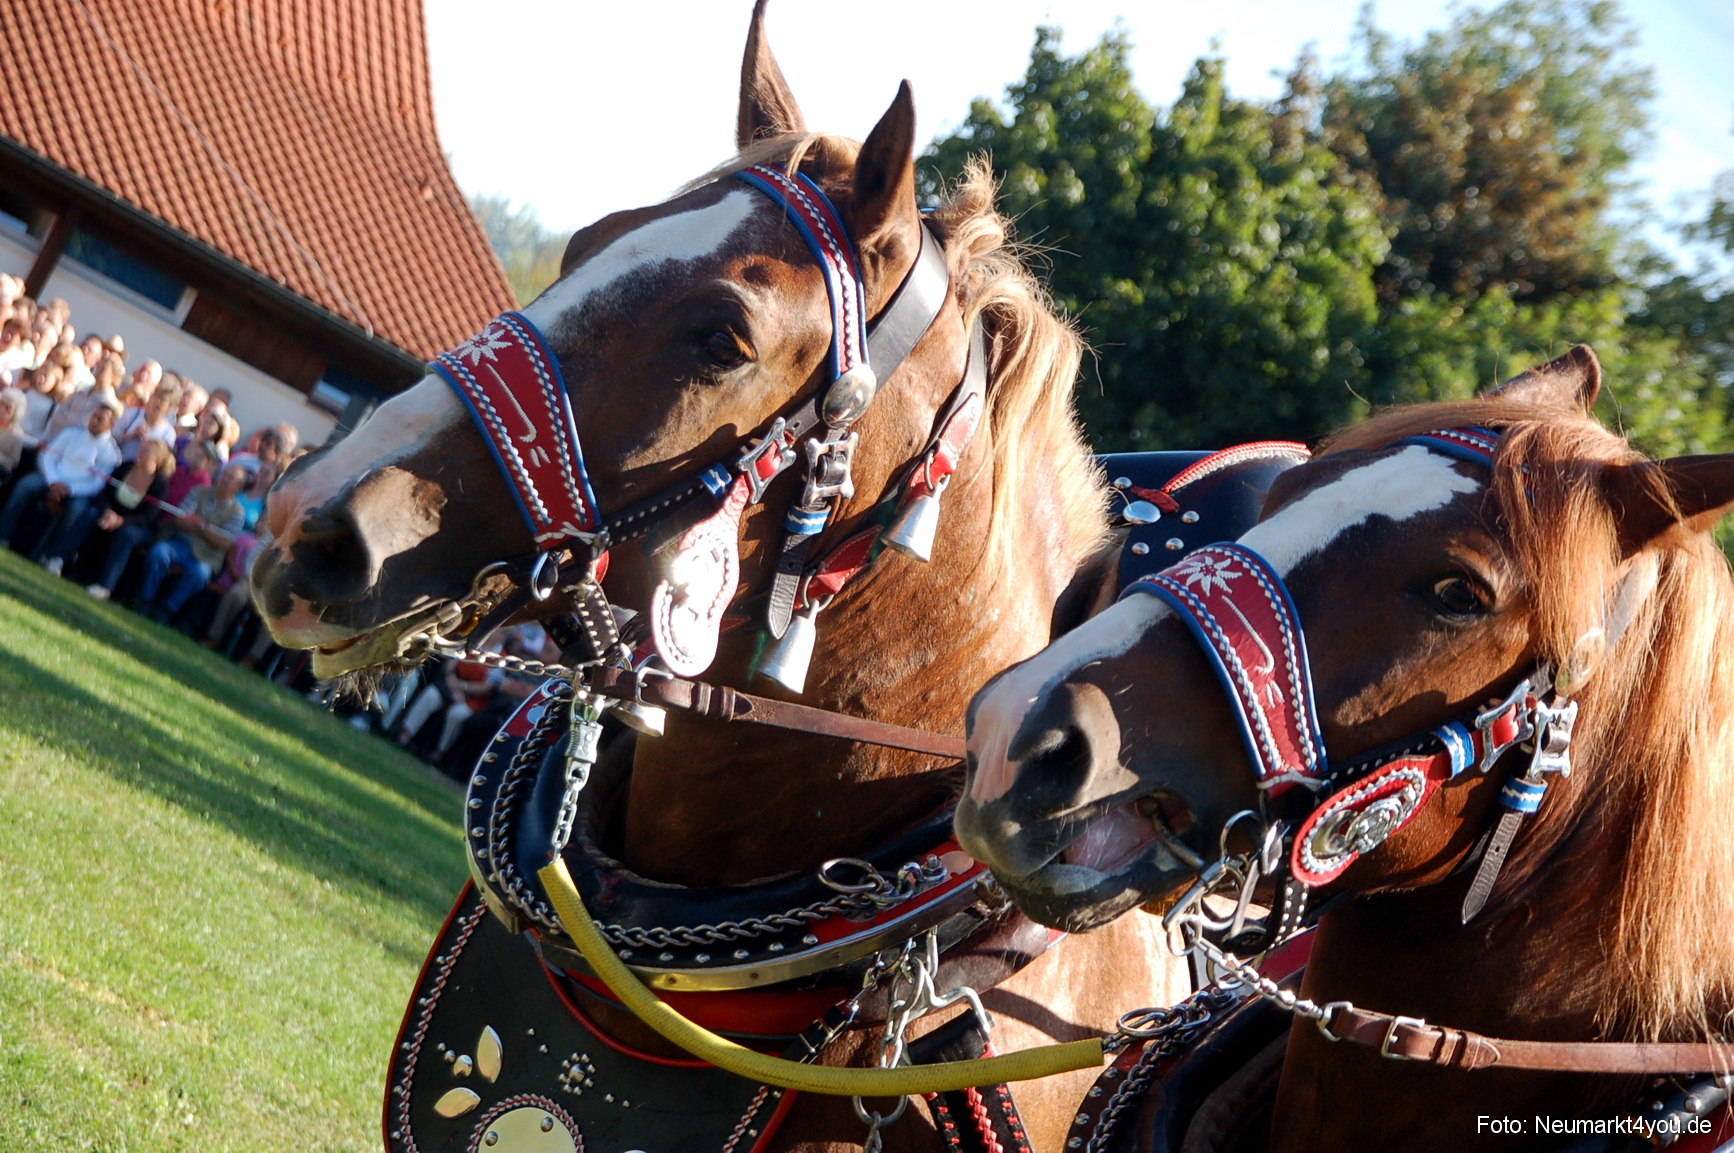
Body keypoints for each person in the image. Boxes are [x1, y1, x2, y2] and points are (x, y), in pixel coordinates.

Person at [0, 399, 121, 570]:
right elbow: (47, 456)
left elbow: (96, 484)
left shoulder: (111, 454)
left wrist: (69, 489)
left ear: (111, 424)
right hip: (51, 478)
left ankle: (50, 556)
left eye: (100, 419)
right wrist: (54, 482)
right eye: (94, 416)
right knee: (25, 485)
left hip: (77, 493)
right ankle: (3, 535)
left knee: (77, 511)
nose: (93, 420)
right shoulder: (71, 433)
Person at [134, 461, 247, 625]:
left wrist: (200, 526)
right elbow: (180, 519)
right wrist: (208, 531)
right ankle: (146, 599)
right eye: (225, 475)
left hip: (206, 557)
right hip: (180, 543)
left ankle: (167, 609)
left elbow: (225, 543)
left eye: (230, 479)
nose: (224, 479)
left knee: (200, 574)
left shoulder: (237, 513)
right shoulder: (199, 491)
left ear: (237, 488)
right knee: (158, 553)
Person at [85, 440, 177, 601]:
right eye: (141, 449)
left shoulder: (160, 484)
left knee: (126, 534)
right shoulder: (126, 467)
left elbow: (148, 516)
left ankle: (105, 586)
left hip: (139, 526)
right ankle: (59, 559)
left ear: (158, 459)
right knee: (91, 514)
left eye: (146, 451)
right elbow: (105, 492)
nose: (140, 453)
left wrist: (122, 521)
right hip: (112, 514)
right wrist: (108, 511)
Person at [114, 378, 179, 464]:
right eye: (156, 397)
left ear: (170, 408)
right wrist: (131, 435)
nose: (157, 402)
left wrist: (146, 443)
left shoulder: (168, 434)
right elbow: (112, 437)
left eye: (163, 400)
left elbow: (161, 461)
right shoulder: (132, 414)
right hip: (118, 465)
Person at [0, 387, 29, 482]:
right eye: (1, 403)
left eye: (8, 408)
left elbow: (13, 461)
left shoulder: (17, 433)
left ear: (15, 412)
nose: (2, 409)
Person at [0, 316, 32, 386]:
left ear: (20, 342)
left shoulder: (16, 363)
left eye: (13, 335)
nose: (8, 336)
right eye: (7, 331)